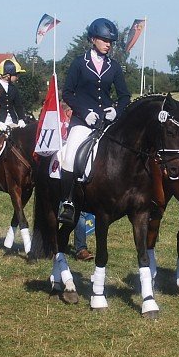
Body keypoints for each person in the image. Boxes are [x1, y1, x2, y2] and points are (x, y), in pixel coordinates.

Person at [57, 18, 131, 226]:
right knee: (70, 156)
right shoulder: (79, 63)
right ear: (93, 39)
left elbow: (125, 95)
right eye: (105, 40)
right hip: (82, 121)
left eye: (111, 42)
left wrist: (116, 110)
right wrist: (84, 112)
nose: (108, 44)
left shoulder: (114, 67)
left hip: (106, 122)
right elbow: (68, 93)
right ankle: (68, 202)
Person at [0, 59, 28, 128]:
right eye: (16, 75)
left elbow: (18, 105)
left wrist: (21, 119)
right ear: (8, 75)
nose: (17, 77)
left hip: (12, 120)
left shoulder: (14, 88)